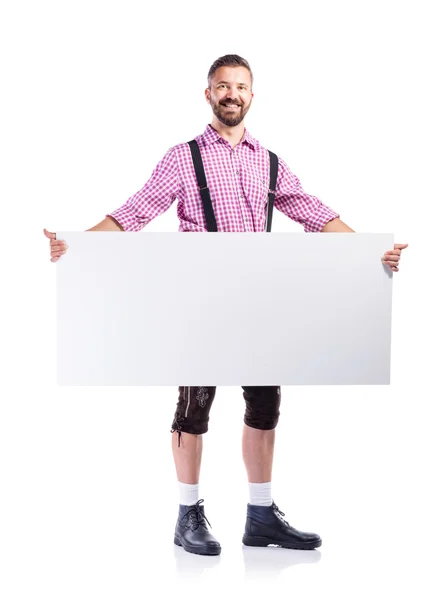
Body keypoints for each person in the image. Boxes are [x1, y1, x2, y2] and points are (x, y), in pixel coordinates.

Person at [44, 54, 408, 557]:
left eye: (240, 86)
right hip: (199, 302)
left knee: (265, 406)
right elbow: (137, 209)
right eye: (222, 85)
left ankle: (261, 517)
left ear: (252, 96)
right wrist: (76, 245)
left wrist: (372, 252)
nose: (231, 93)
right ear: (208, 94)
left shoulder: (269, 160)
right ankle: (186, 515)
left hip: (259, 303)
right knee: (193, 407)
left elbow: (312, 211)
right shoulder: (182, 156)